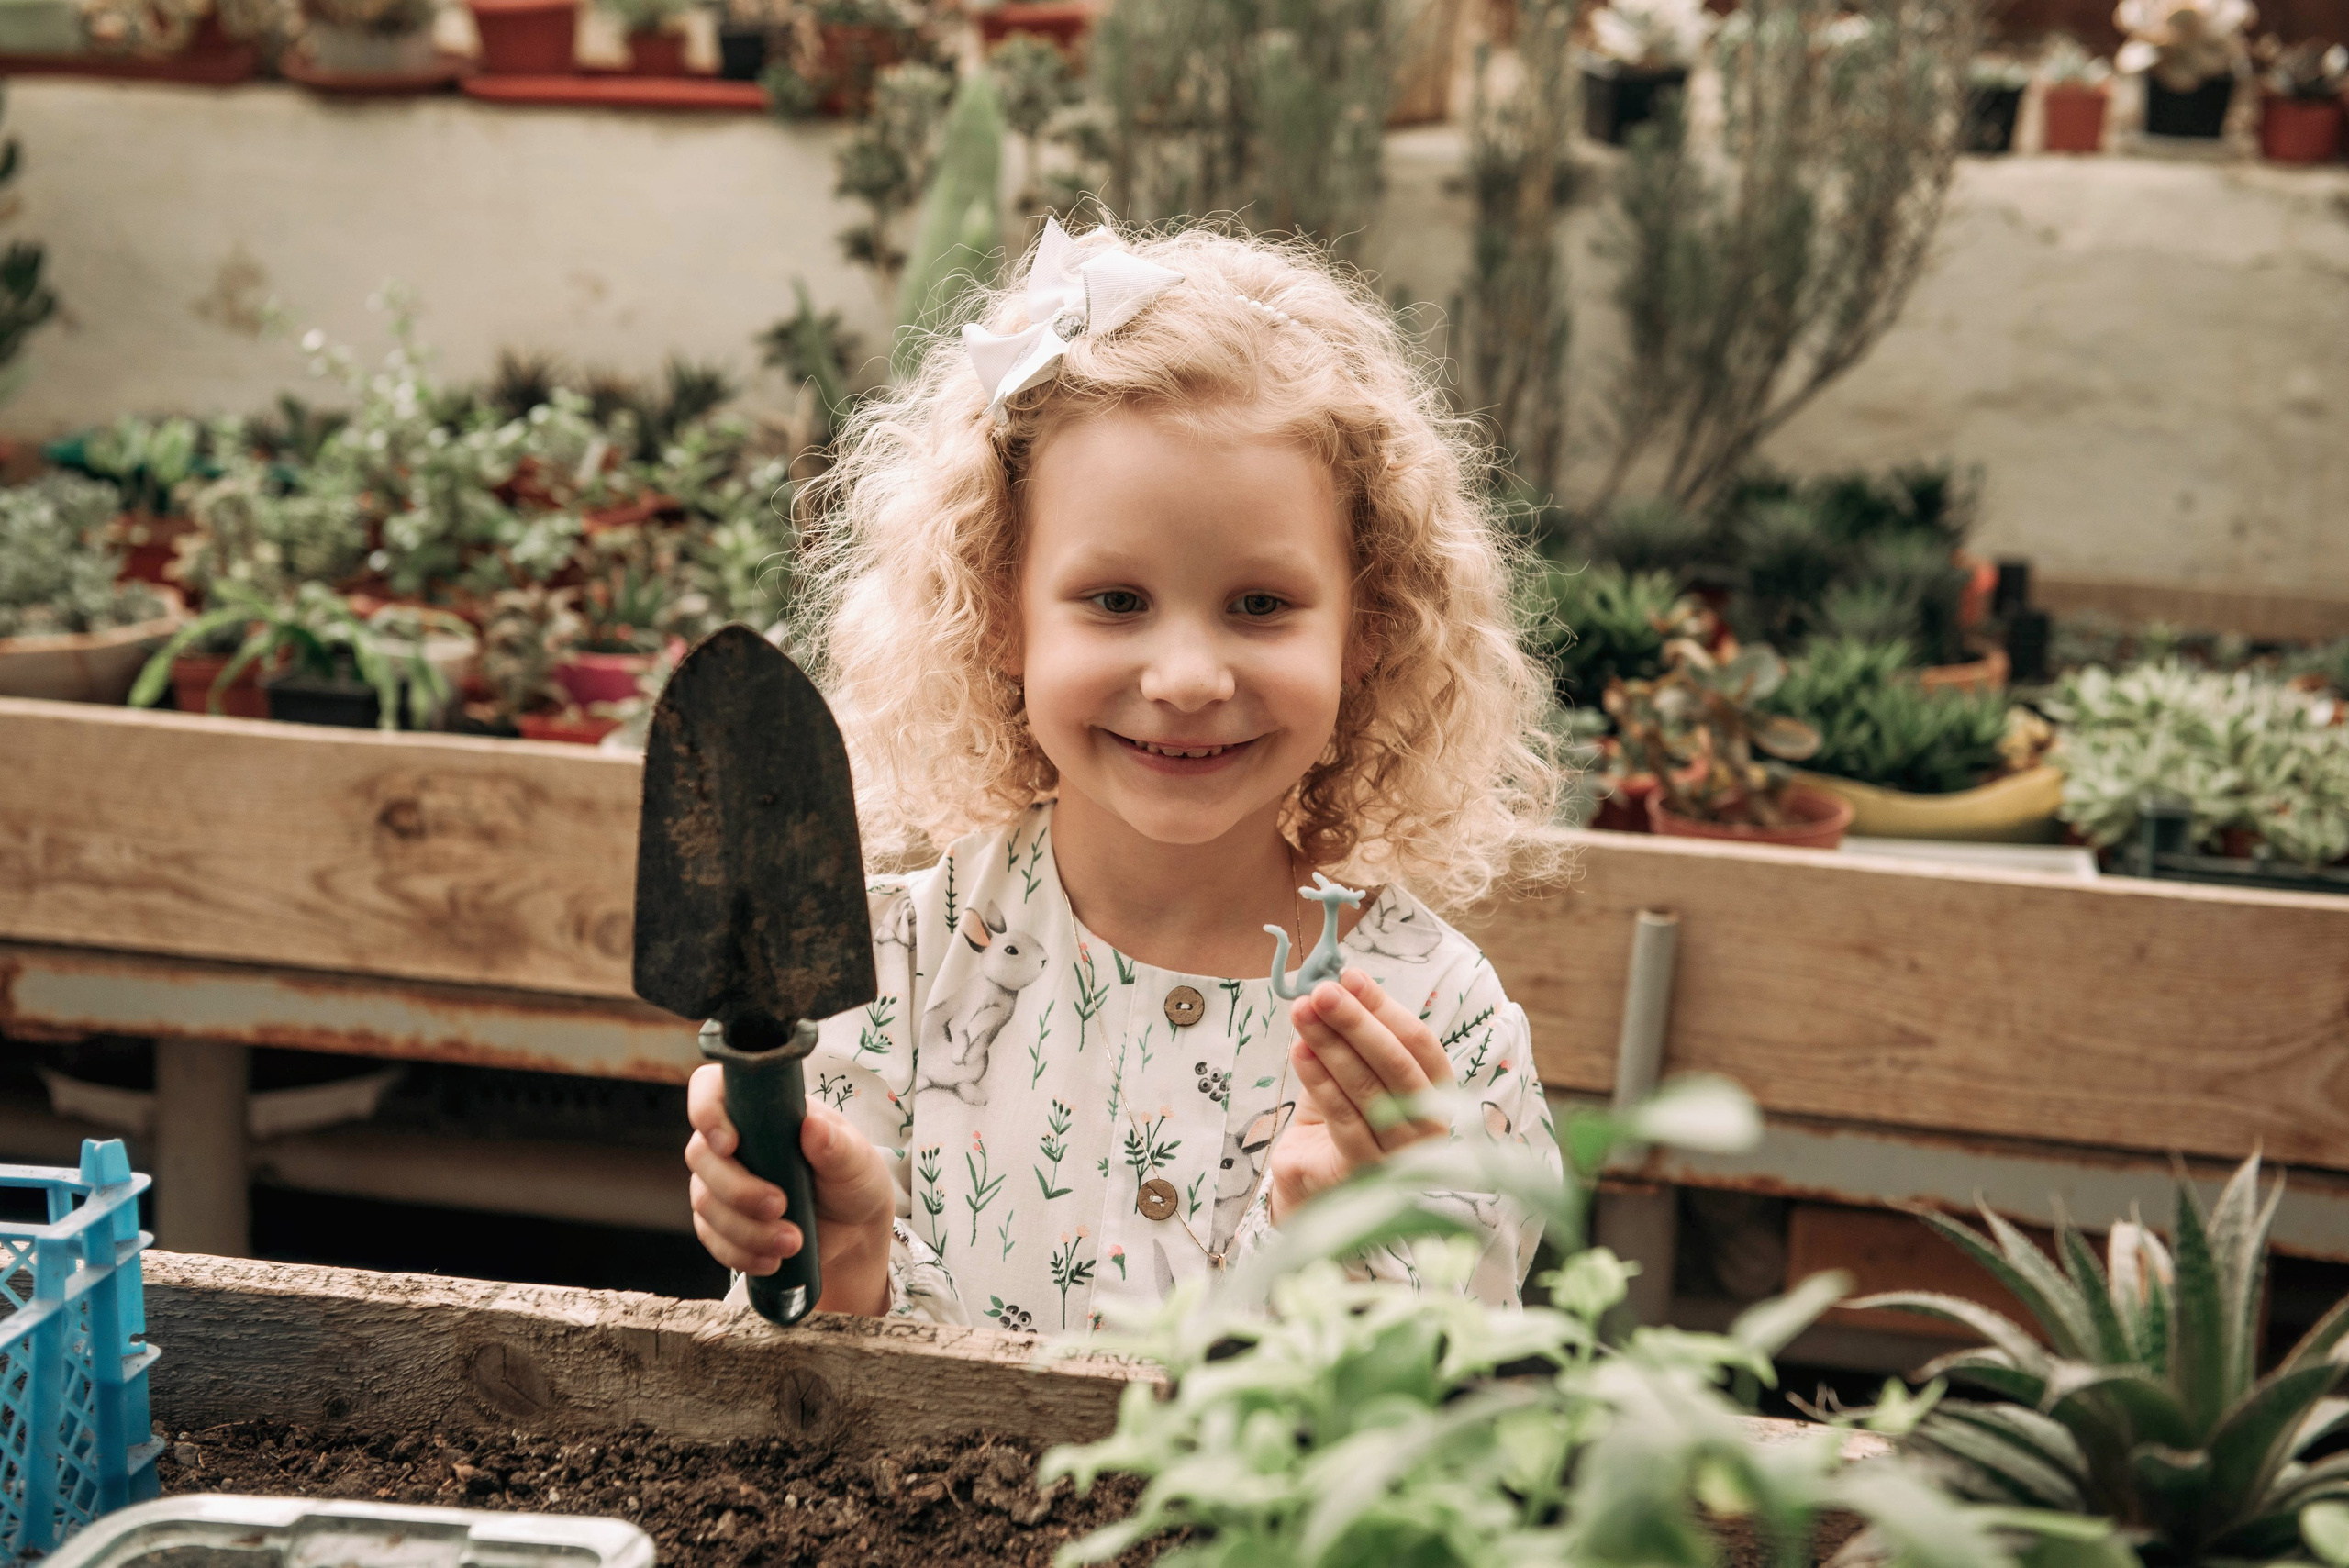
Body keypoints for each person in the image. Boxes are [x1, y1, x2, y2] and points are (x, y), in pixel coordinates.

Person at [684, 218, 1566, 1329]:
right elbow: (811, 1399)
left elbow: (1409, 1434)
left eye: (1259, 605)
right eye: (1115, 601)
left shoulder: (1435, 1026)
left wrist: (1331, 1258)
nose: (1189, 676)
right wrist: (845, 1252)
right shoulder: (882, 976)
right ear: (1000, 610)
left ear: (1367, 629)